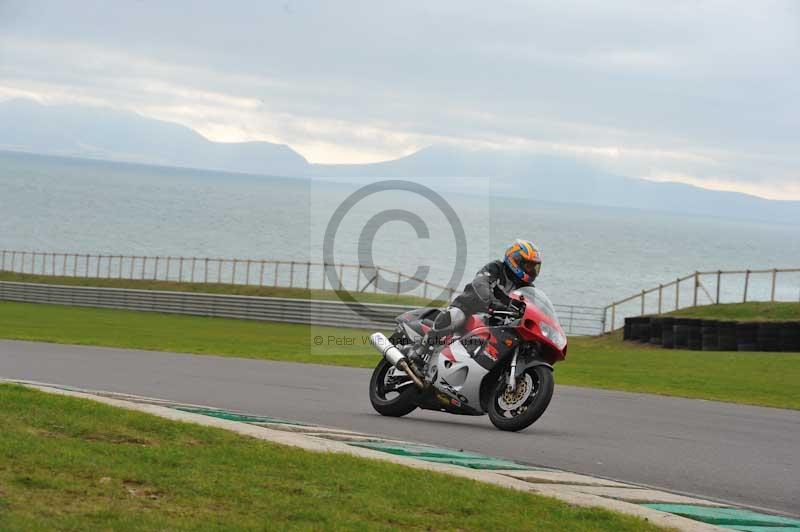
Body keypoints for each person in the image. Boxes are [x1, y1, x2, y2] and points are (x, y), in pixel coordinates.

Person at [433, 239, 542, 333]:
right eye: (528, 265)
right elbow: (480, 283)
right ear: (515, 260)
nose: (532, 270)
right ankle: (424, 346)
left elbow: (532, 307)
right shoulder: (495, 268)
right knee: (456, 316)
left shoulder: (527, 288)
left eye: (534, 267)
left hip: (498, 318)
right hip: (469, 307)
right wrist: (492, 302)